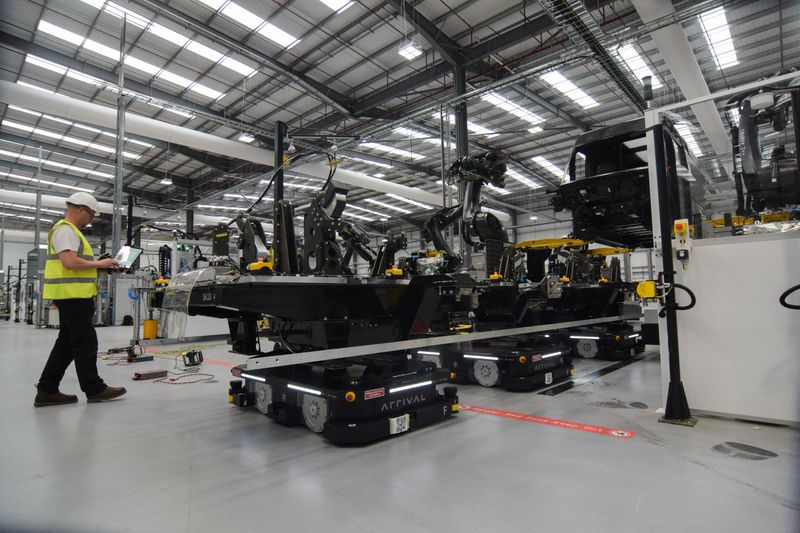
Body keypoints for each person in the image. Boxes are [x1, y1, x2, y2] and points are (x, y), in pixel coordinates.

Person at [34, 192, 127, 407]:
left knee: (66, 344)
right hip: (73, 296)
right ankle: (94, 389)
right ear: (81, 209)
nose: (91, 219)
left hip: (72, 295)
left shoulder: (68, 231)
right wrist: (100, 265)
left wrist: (104, 270)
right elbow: (69, 262)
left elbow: (77, 266)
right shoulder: (66, 230)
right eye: (91, 215)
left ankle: (47, 389)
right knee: (86, 342)